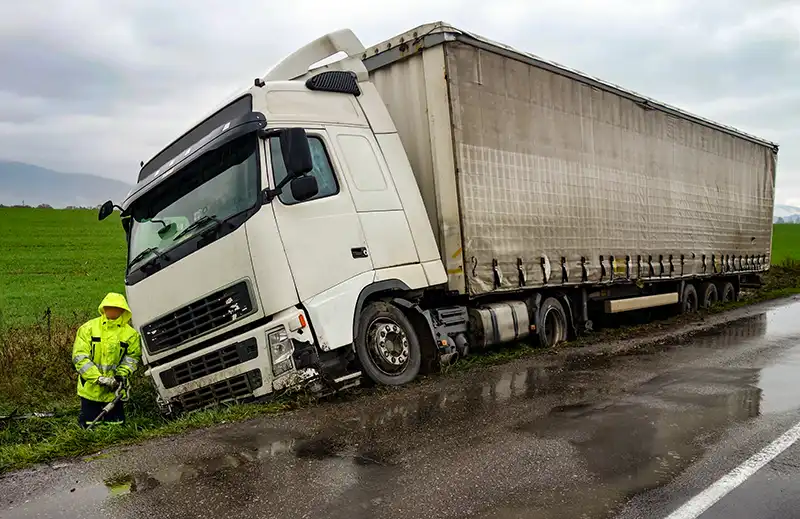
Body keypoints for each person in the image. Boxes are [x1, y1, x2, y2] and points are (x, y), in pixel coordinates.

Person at [71, 293, 141, 428]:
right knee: (90, 426)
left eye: (116, 308)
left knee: (116, 427)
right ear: (103, 308)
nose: (112, 311)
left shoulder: (130, 334)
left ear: (123, 310)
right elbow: (80, 357)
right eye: (109, 307)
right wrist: (98, 378)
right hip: (90, 390)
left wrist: (121, 376)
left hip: (115, 392)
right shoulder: (88, 329)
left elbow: (132, 358)